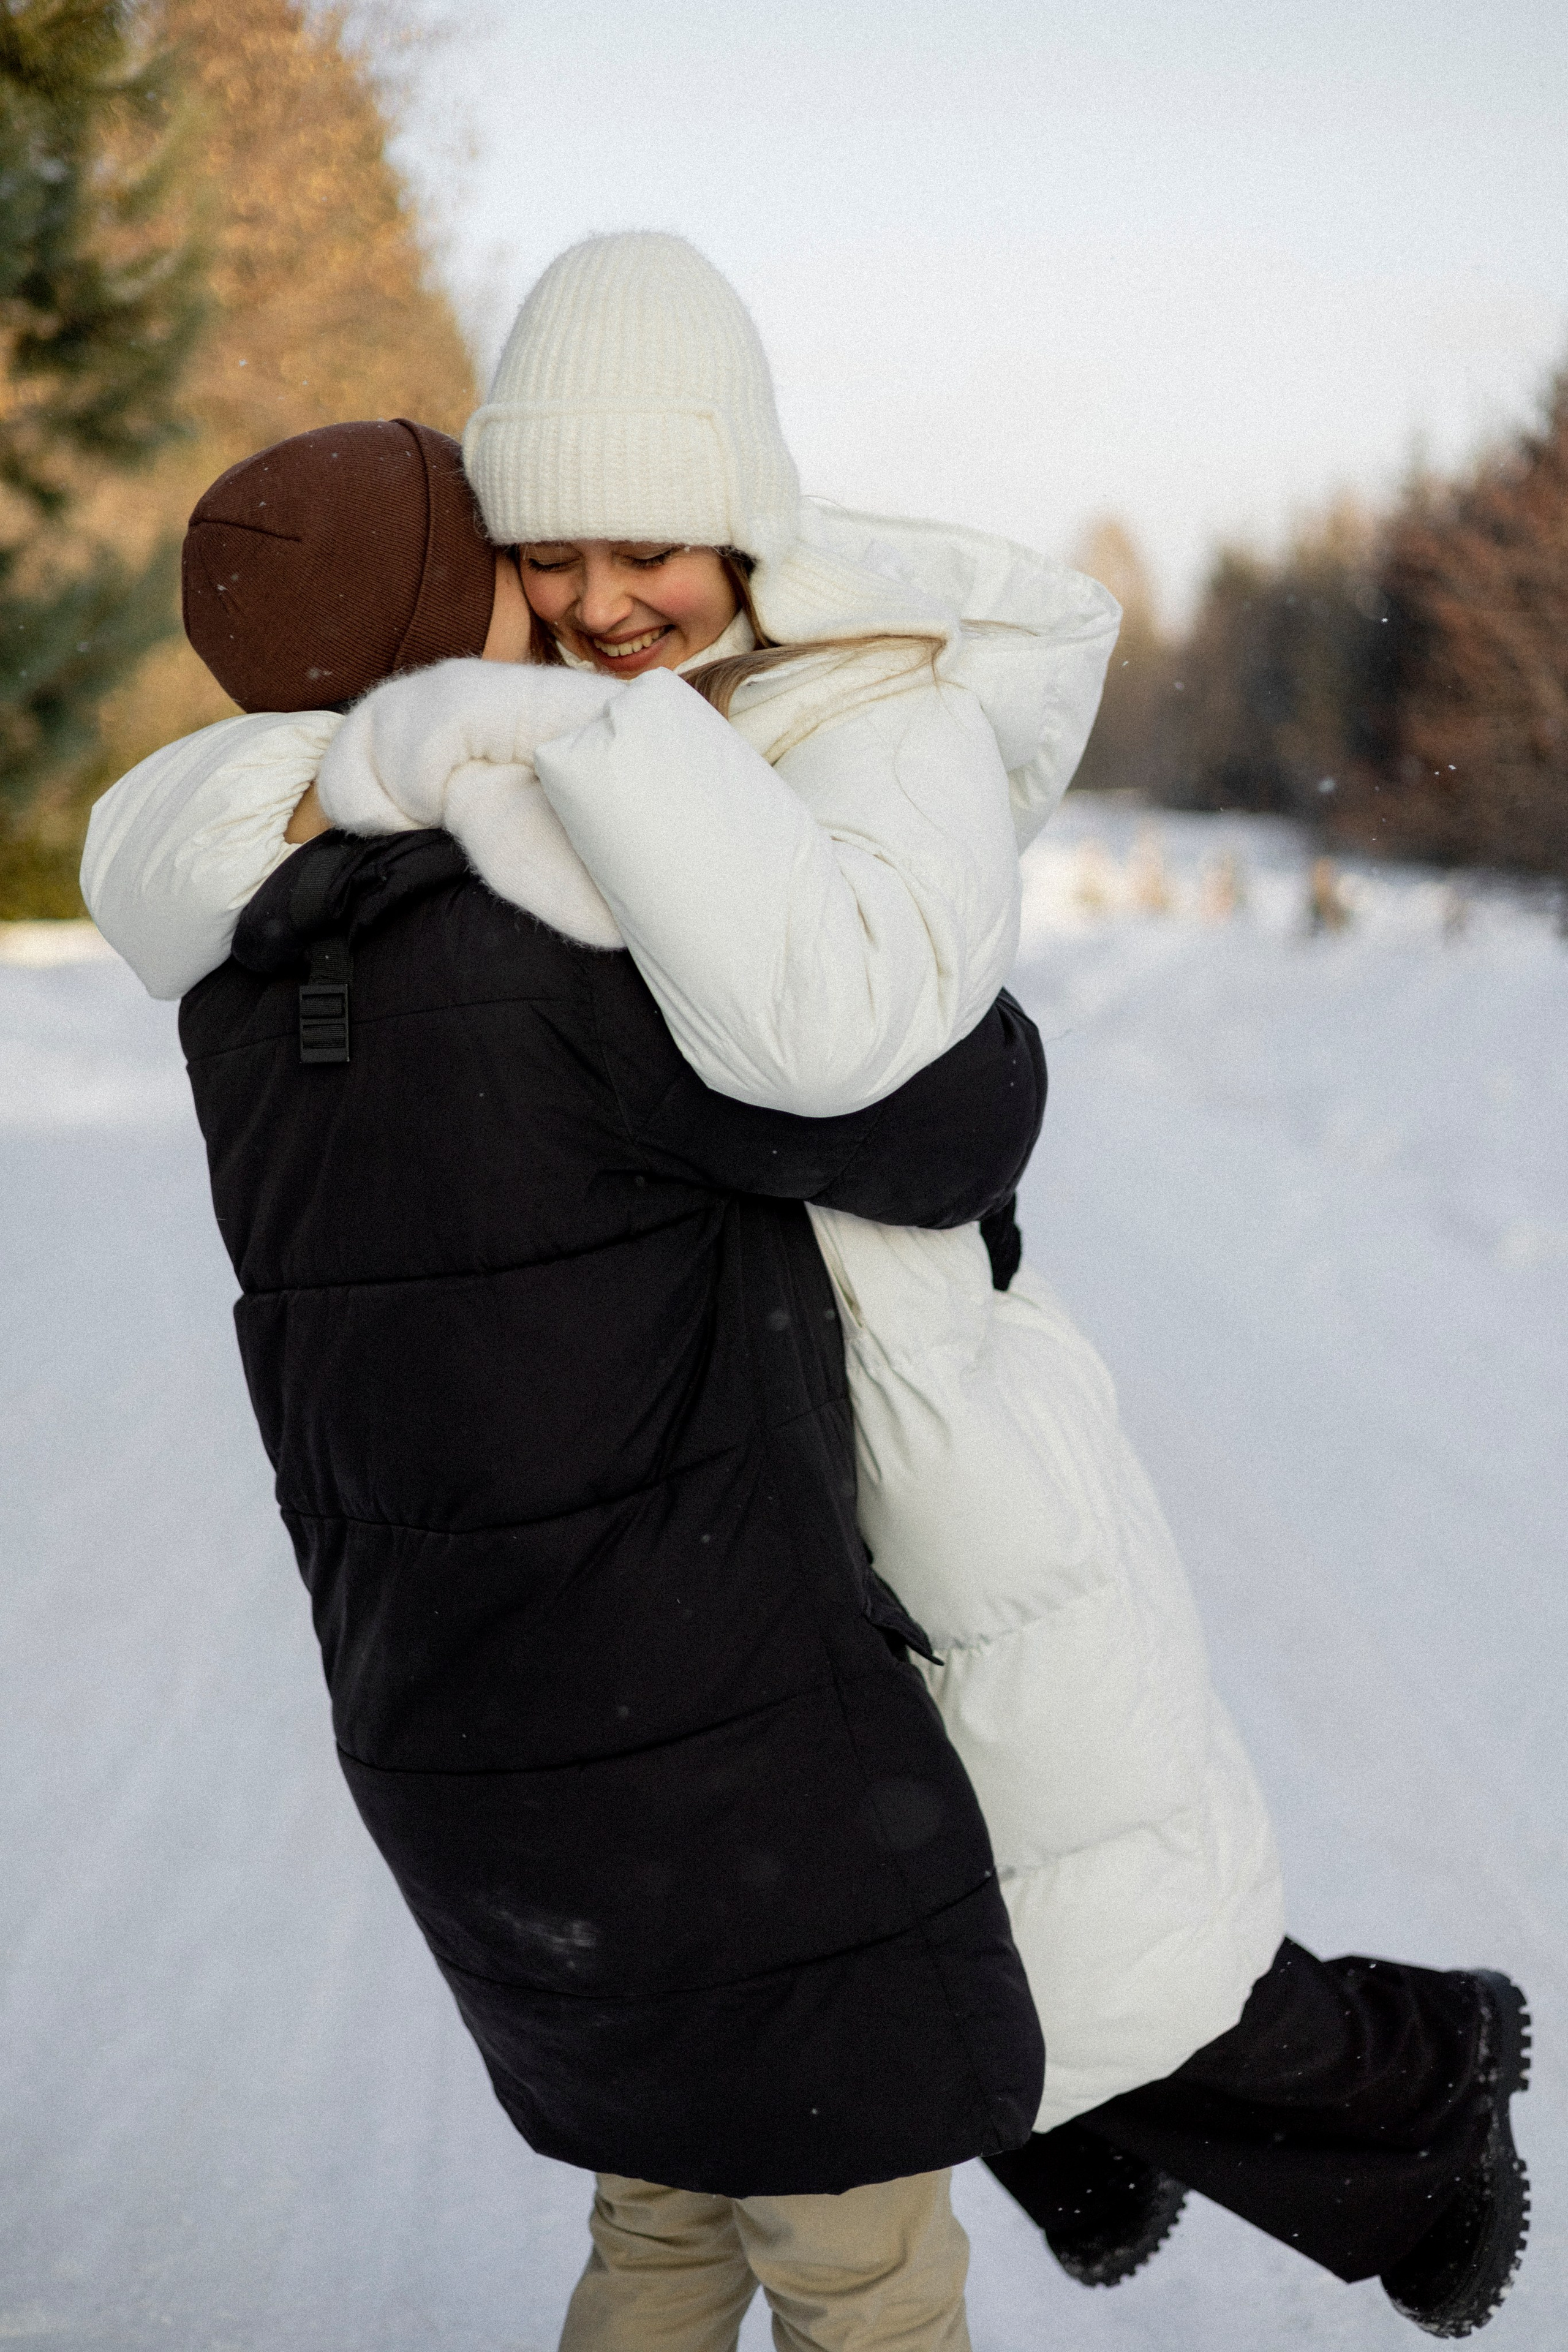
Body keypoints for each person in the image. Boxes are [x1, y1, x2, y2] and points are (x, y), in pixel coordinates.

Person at [85, 236, 1531, 2341]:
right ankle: (1218, 2111)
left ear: (745, 520)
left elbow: (868, 1059)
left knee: (1051, 1909)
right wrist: (457, 754)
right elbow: (941, 1106)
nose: (601, 604)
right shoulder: (502, 827)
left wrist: (510, 743)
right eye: (548, 556)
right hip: (722, 1488)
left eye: (650, 547)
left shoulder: (864, 722)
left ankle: (1329, 2109)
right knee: (936, 1977)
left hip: (879, 1430)